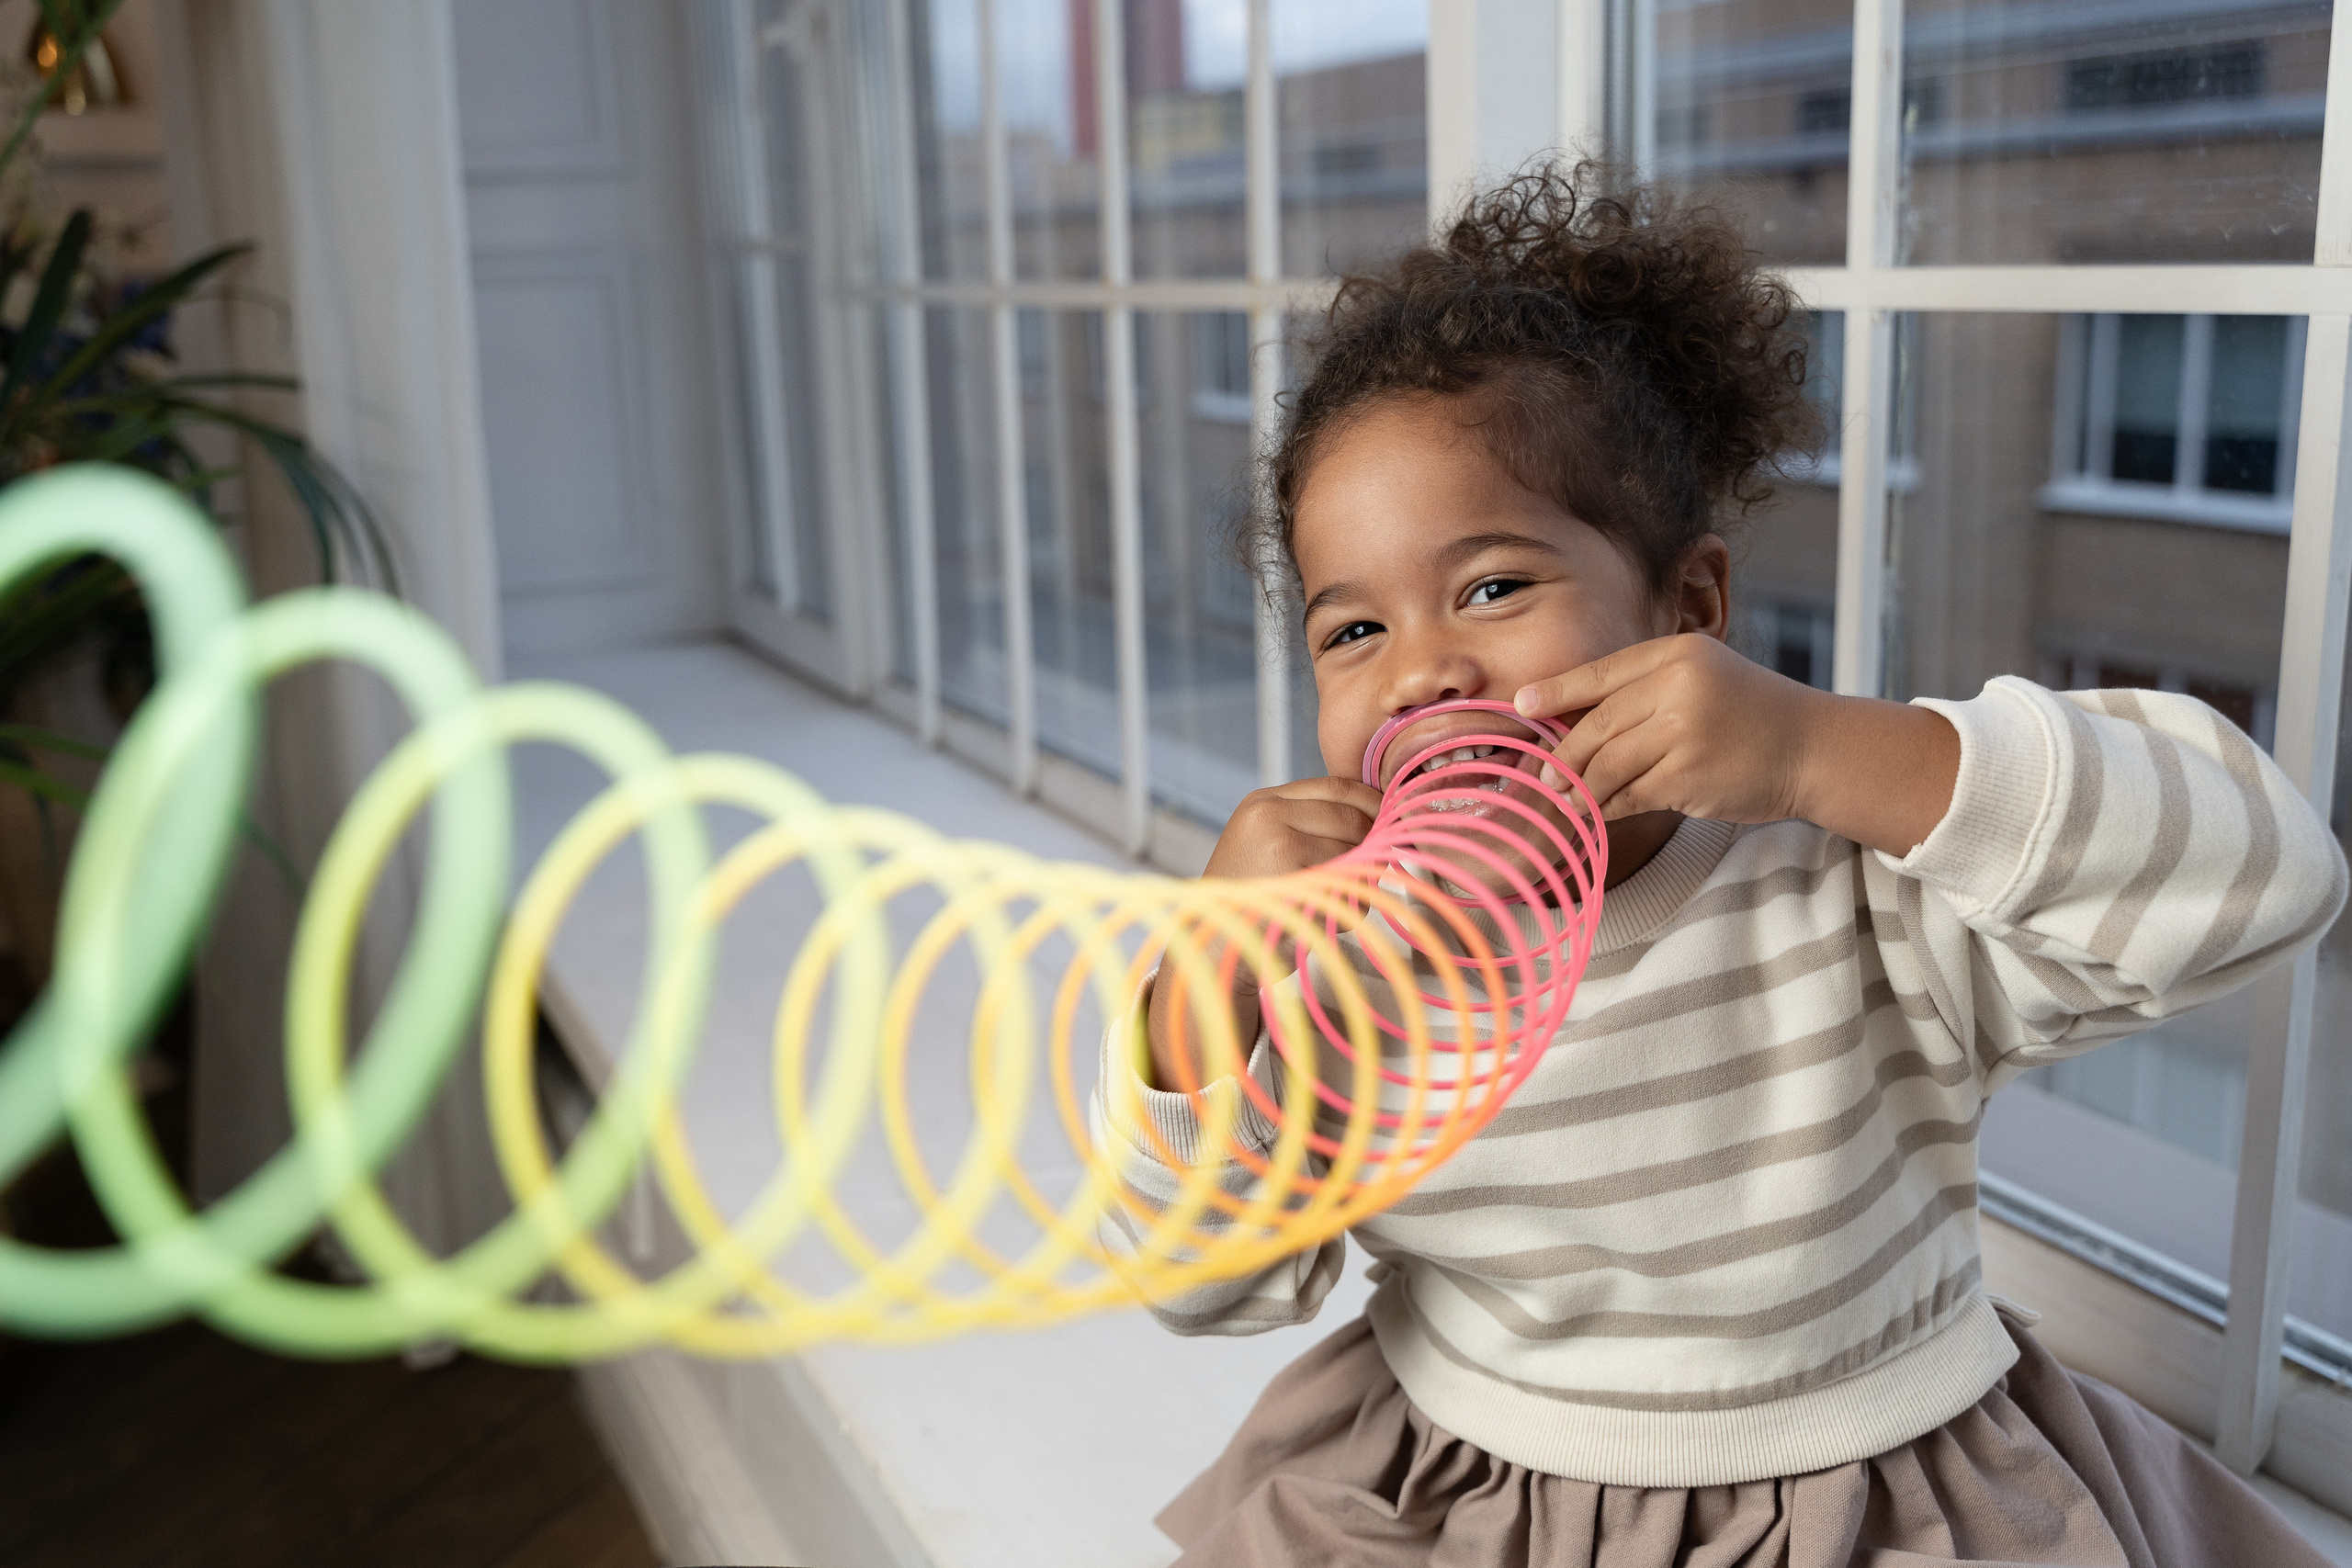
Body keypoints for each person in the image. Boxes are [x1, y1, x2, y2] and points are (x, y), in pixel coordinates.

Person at [1091, 164, 2350, 1567]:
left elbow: (2267, 873)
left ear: (1688, 607)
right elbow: (1202, 1289)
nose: (1424, 670)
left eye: (1493, 588)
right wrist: (1212, 973)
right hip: (1464, 1507)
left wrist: (1821, 750)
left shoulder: (1851, 887)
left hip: (1876, 1504)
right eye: (1350, 634)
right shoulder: (1347, 961)